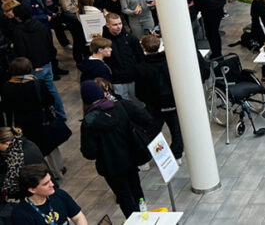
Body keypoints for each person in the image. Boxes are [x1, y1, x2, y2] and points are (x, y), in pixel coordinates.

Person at [80, 79, 154, 218]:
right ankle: (145, 217)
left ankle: (133, 220)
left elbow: (89, 152)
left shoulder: (89, 122)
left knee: (124, 197)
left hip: (110, 167)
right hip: (130, 159)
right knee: (137, 190)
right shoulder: (120, 107)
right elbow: (143, 120)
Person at [1, 58, 66, 180]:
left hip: (21, 124)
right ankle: (57, 171)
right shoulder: (38, 83)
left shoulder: (7, 86)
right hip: (41, 121)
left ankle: (35, 173)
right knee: (51, 149)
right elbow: (49, 100)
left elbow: (6, 108)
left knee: (29, 149)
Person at [134, 34, 184, 161]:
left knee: (151, 132)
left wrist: (148, 101)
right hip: (172, 101)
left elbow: (139, 91)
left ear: (144, 48)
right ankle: (177, 155)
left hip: (154, 105)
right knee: (176, 130)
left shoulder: (141, 67)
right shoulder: (170, 62)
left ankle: (146, 157)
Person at [10, 5, 66, 118]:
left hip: (32, 66)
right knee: (51, 89)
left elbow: (21, 51)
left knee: (37, 94)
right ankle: (61, 114)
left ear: (18, 17)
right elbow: (49, 42)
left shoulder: (18, 31)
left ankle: (45, 118)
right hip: (46, 62)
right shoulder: (39, 25)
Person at [11, 164, 87, 225]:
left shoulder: (59, 195)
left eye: (50, 180)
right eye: (46, 184)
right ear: (32, 189)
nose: (52, 184)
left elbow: (78, 217)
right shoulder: (21, 214)